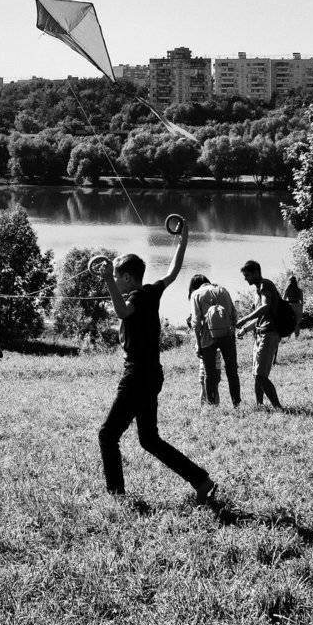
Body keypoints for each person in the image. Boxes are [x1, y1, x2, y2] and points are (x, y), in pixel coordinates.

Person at [90, 215, 216, 503]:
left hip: (136, 375)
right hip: (152, 374)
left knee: (108, 435)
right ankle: (201, 480)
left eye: (118, 277)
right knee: (149, 439)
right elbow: (172, 272)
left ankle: (116, 496)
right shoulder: (152, 291)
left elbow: (122, 312)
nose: (116, 282)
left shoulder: (136, 298)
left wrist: (108, 280)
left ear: (128, 277)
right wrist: (183, 239)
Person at [235, 261, 286, 410]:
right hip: (260, 334)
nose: (246, 279)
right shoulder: (259, 289)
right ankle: (260, 404)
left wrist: (244, 318)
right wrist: (245, 329)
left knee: (260, 375)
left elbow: (265, 307)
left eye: (247, 275)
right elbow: (261, 317)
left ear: (256, 272)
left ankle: (278, 407)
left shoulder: (265, 285)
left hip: (269, 334)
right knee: (256, 374)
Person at [187, 274, 239, 406]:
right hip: (227, 335)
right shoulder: (223, 290)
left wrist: (198, 344)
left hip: (207, 337)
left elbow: (196, 323)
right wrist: (230, 333)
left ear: (194, 286)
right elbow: (234, 315)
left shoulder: (196, 294)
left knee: (210, 373)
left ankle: (211, 404)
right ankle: (236, 403)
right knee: (232, 371)